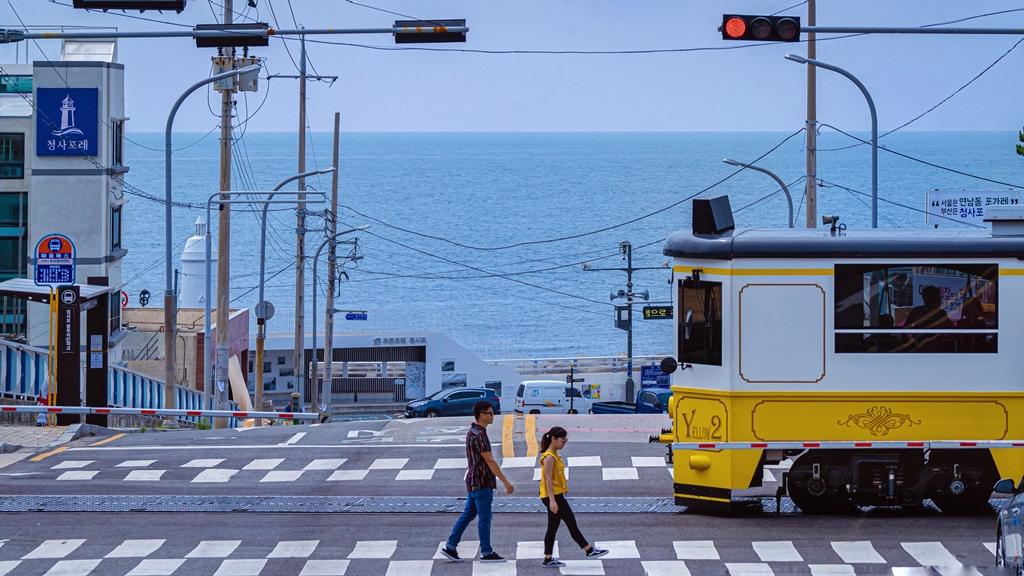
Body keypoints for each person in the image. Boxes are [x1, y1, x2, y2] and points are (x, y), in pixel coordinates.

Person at [440, 401, 514, 563]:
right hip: (482, 481)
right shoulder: (480, 435)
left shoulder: (473, 431)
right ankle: (486, 552)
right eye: (490, 413)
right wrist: (506, 482)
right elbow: (490, 460)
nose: (493, 415)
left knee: (469, 514)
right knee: (485, 517)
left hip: (473, 480)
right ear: (481, 415)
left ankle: (451, 546)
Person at [538, 426, 607, 568]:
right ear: (553, 439)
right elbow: (547, 480)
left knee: (553, 527)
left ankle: (548, 557)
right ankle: (588, 549)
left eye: (565, 440)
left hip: (556, 495)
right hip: (554, 497)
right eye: (562, 440)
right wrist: (552, 501)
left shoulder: (554, 455)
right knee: (571, 523)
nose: (564, 443)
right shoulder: (549, 457)